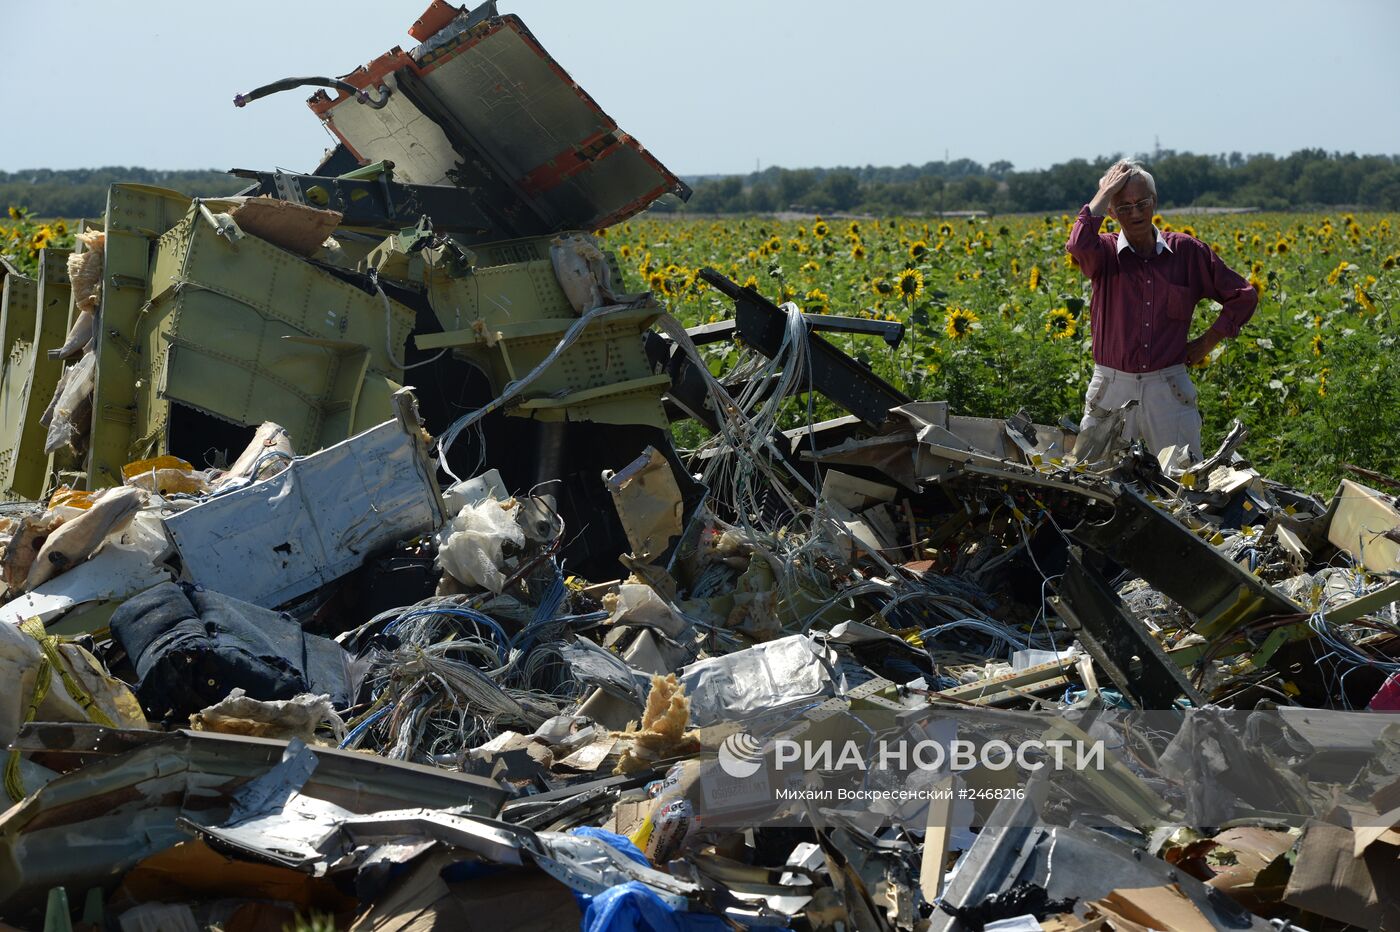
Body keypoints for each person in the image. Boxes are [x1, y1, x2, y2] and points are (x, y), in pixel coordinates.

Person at [1065, 159, 1257, 460]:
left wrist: (1207, 343)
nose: (1136, 213)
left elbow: (1244, 296)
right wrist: (1104, 193)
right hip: (1112, 387)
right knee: (1096, 485)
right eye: (1124, 207)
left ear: (1154, 202)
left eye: (1142, 203)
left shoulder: (1186, 253)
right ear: (1112, 212)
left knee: (1180, 487)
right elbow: (1077, 245)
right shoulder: (1103, 253)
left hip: (1167, 387)